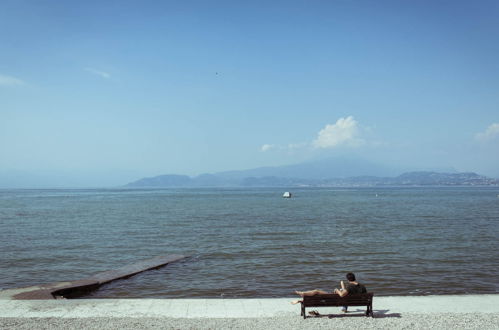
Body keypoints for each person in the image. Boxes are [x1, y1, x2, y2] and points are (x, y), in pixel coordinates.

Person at [291, 272, 367, 313]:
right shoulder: (362, 286)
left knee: (317, 291)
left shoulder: (350, 286)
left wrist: (337, 290)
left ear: (348, 280)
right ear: (354, 278)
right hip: (352, 301)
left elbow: (341, 295)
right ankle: (301, 298)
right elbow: (349, 294)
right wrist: (343, 287)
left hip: (334, 299)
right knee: (341, 291)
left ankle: (303, 294)